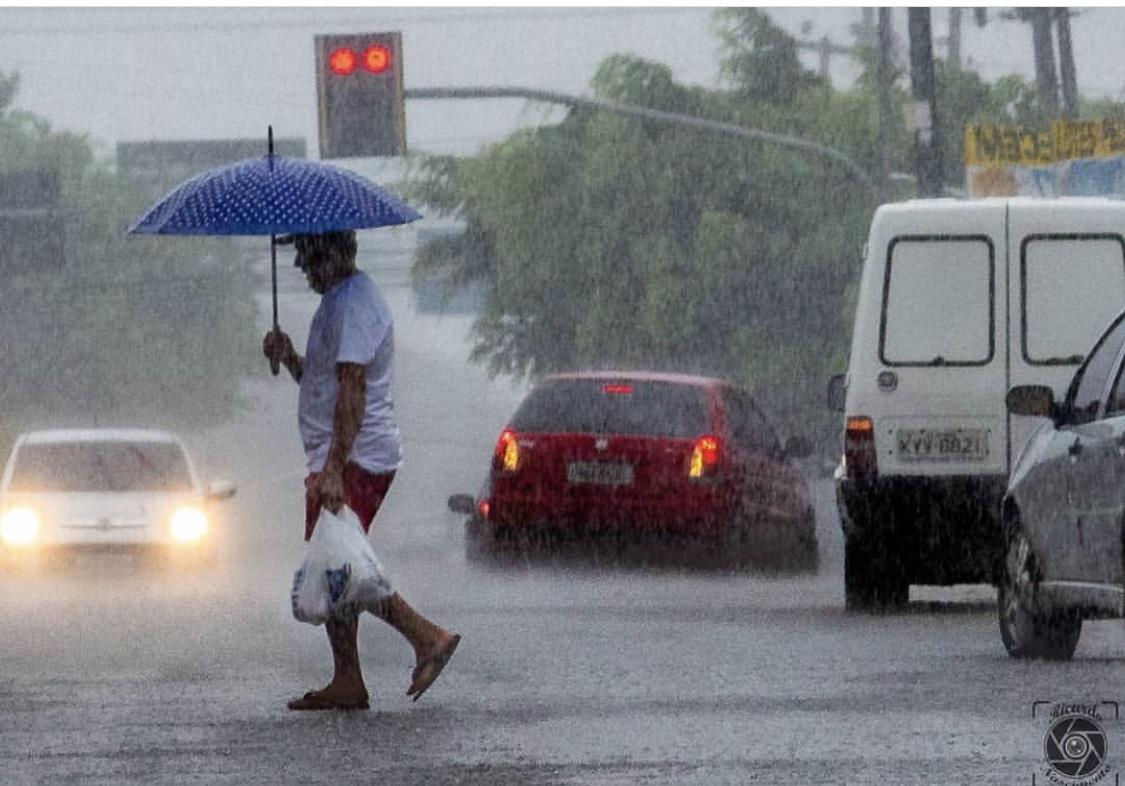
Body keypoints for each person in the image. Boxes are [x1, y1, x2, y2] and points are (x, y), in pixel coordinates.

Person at [263, 229, 460, 711]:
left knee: (344, 567)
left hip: (356, 457)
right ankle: (347, 678)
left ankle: (427, 637)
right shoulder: (338, 301)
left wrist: (334, 467)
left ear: (337, 253)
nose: (301, 268)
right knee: (337, 561)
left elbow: (353, 390)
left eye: (308, 256)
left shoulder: (356, 304)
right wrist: (289, 357)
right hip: (336, 455)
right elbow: (325, 380)